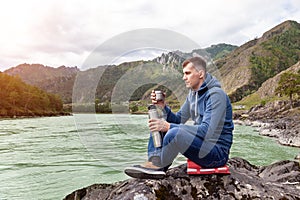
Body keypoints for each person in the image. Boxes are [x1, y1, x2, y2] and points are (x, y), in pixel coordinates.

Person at [125, 56, 234, 179]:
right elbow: (178, 120)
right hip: (201, 146)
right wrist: (163, 107)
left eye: (188, 73)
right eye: (184, 74)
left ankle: (160, 166)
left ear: (200, 74)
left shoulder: (216, 95)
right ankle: (155, 163)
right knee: (158, 123)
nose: (184, 78)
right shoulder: (193, 95)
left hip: (217, 153)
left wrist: (169, 126)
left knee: (174, 132)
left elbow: (207, 131)